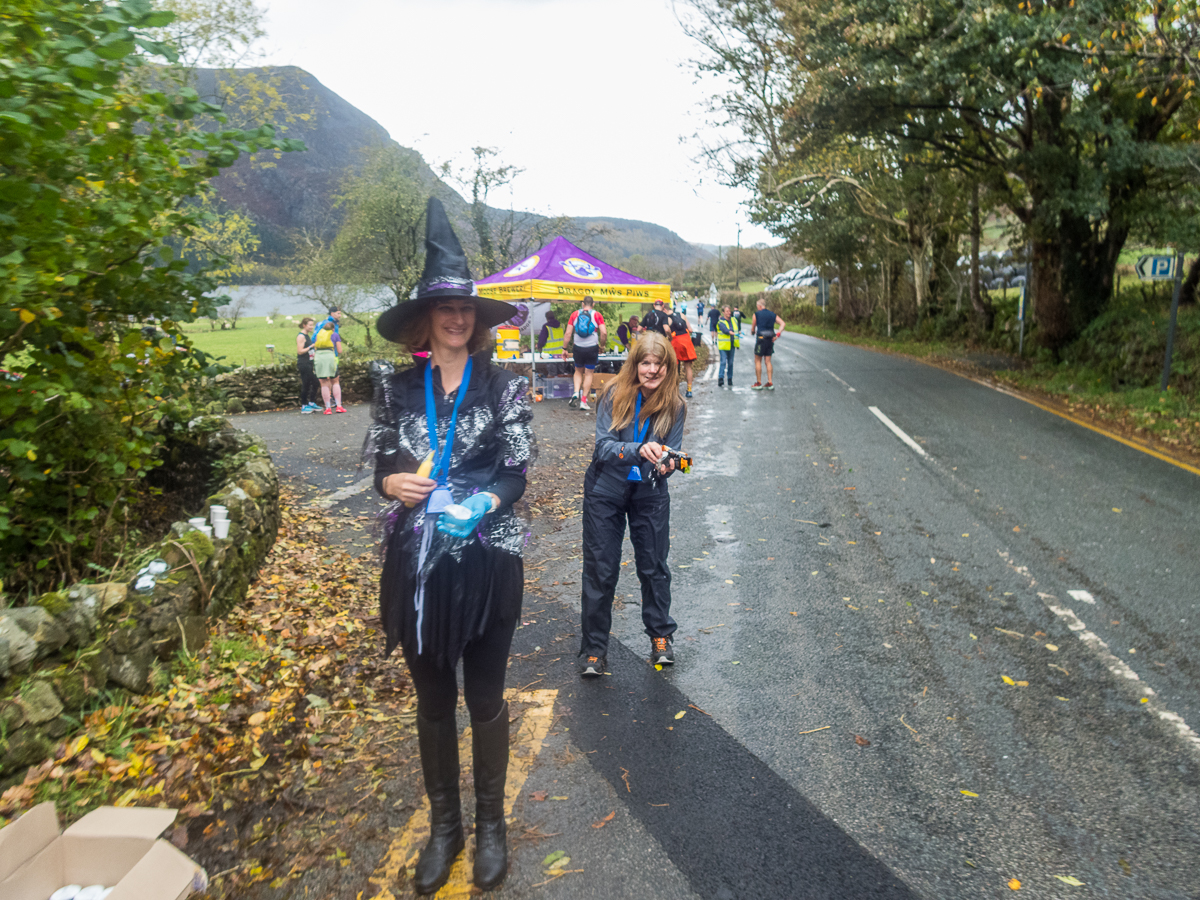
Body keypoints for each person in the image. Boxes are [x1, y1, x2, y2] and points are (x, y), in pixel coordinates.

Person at [367, 198, 534, 895]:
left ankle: (491, 825)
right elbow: (380, 462)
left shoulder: (506, 385)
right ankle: (446, 828)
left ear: (477, 319)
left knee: (486, 695)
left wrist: (485, 501)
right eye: (446, 310)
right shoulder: (395, 388)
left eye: (466, 309)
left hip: (489, 555)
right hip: (418, 569)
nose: (458, 318)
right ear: (425, 323)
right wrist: (393, 484)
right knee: (432, 699)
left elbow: (517, 467)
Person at [578, 332, 686, 677]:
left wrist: (668, 464)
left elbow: (673, 452)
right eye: (646, 363)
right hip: (606, 489)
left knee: (654, 566)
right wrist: (637, 450)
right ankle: (594, 649)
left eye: (659, 364)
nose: (652, 370)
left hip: (649, 493)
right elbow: (603, 447)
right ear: (635, 364)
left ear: (669, 368)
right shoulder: (613, 393)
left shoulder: (676, 405)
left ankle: (660, 638)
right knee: (601, 569)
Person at [563, 295, 606, 411]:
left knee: (578, 371)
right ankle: (583, 401)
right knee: (588, 374)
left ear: (582, 304)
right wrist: (602, 346)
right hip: (592, 348)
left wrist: (564, 348)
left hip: (578, 347)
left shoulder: (574, 314)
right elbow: (604, 333)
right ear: (593, 305)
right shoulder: (597, 315)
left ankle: (576, 392)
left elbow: (568, 333)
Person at [751, 298, 786, 390]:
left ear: (759, 306)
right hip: (770, 339)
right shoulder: (772, 314)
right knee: (768, 361)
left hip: (761, 338)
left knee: (758, 360)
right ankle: (770, 382)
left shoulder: (756, 314)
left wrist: (752, 332)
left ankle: (758, 383)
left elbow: (753, 326)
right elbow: (783, 323)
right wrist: (777, 334)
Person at [313, 319, 346, 413]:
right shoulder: (335, 335)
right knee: (335, 381)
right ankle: (339, 406)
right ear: (333, 328)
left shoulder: (318, 336)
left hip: (319, 359)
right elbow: (339, 350)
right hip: (330, 358)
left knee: (323, 383)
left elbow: (315, 349)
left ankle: (328, 408)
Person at [669, 307, 696, 398]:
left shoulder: (666, 318)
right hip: (686, 341)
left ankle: (675, 391)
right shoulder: (682, 315)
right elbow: (690, 329)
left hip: (675, 342)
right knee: (688, 367)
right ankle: (689, 390)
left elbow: (666, 331)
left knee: (675, 367)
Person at [295, 317, 320, 413]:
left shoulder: (307, 335)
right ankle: (304, 405)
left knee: (315, 382)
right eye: (310, 325)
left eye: (312, 325)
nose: (312, 327)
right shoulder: (301, 336)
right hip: (303, 363)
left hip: (309, 362)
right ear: (304, 325)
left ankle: (312, 403)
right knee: (306, 384)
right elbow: (300, 351)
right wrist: (311, 346)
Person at [716, 305, 738, 387]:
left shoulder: (733, 320)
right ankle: (721, 378)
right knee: (723, 362)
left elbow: (736, 328)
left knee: (731, 363)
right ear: (723, 312)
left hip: (732, 345)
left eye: (729, 311)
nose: (729, 313)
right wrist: (732, 333)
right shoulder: (721, 322)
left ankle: (730, 379)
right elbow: (725, 330)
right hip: (723, 346)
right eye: (727, 311)